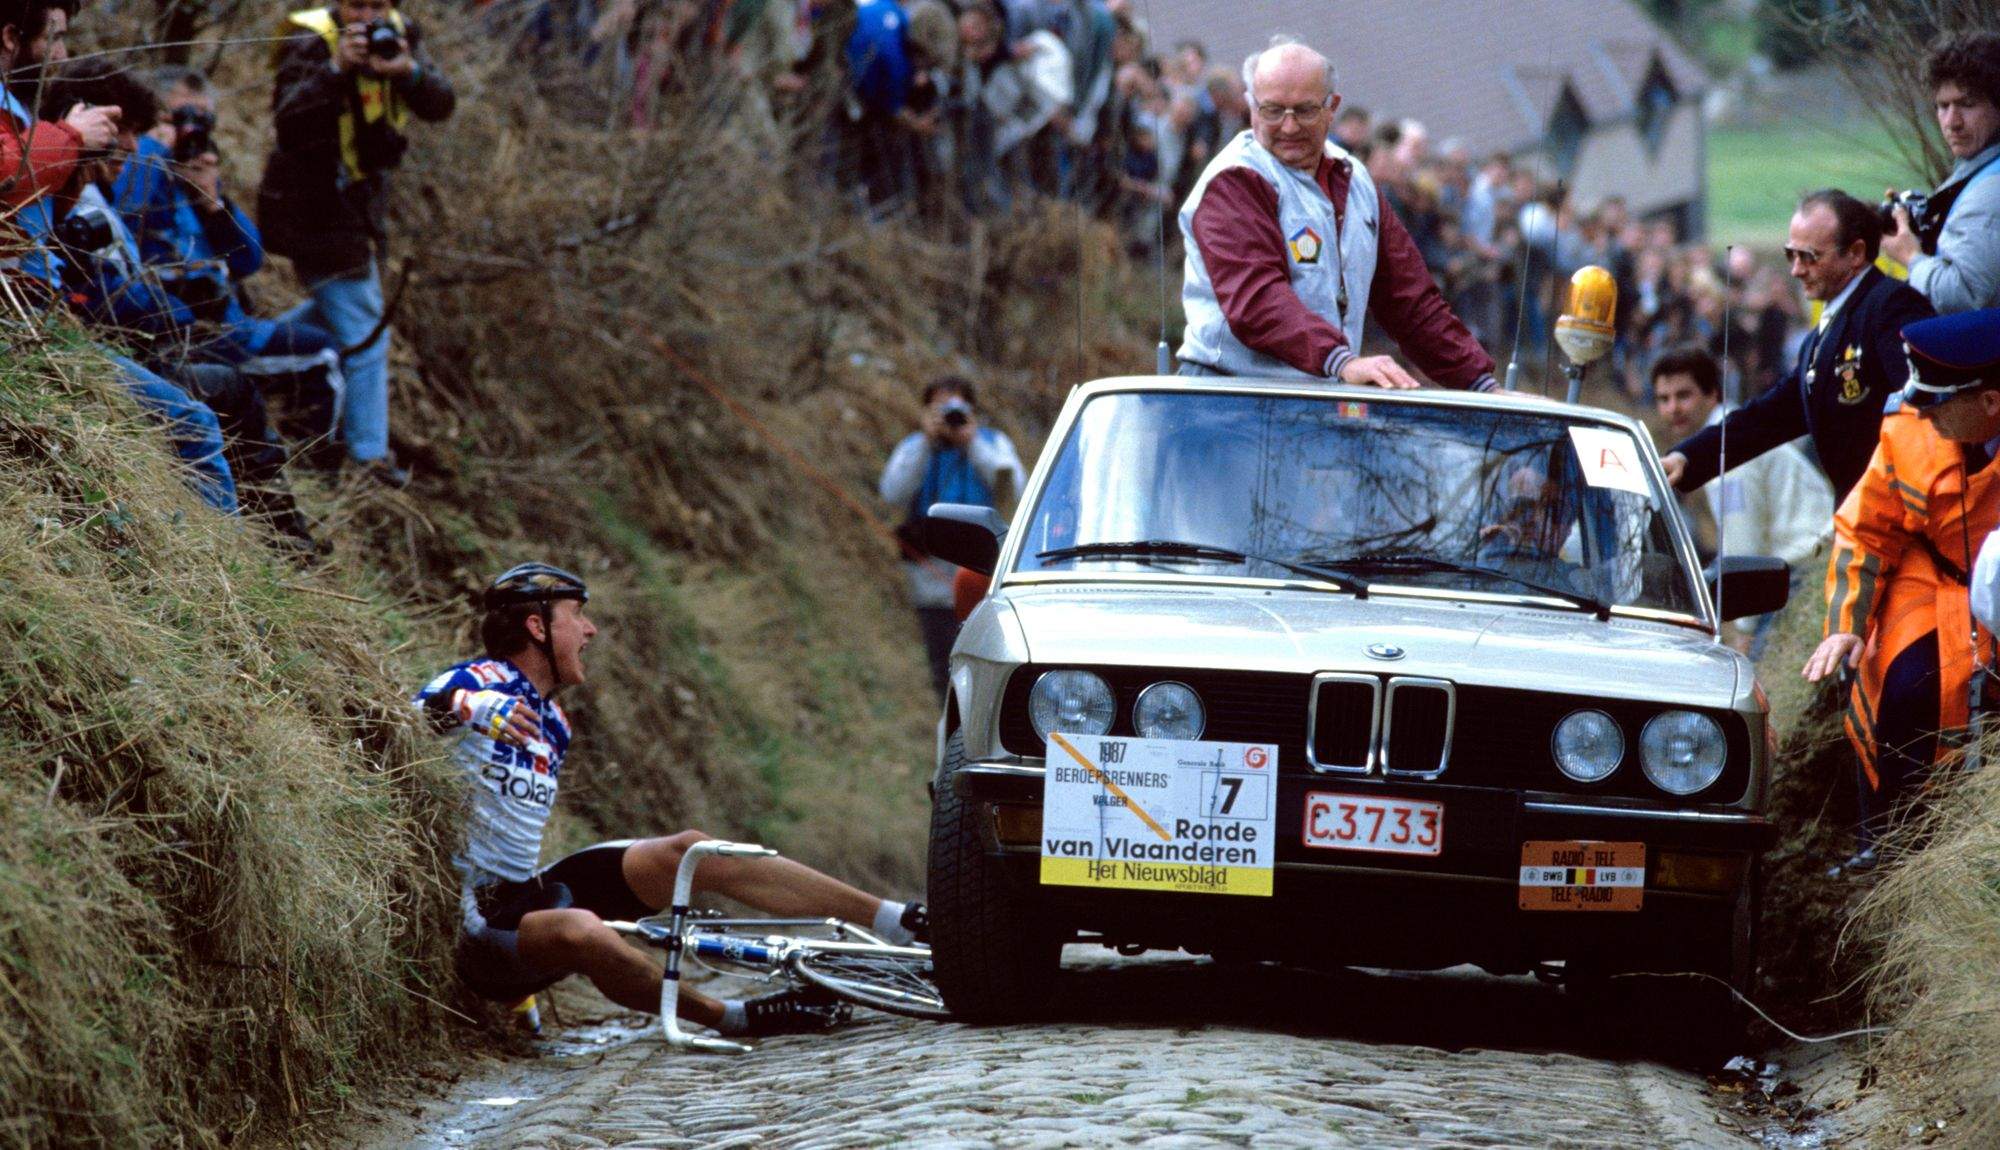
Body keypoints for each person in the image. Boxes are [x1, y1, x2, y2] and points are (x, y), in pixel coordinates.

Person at [418, 564, 929, 1037]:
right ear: (537, 627)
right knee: (583, 930)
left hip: (528, 897)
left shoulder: (556, 722)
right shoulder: (478, 681)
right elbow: (408, 716)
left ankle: (901, 922)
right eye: (577, 615)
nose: (590, 630)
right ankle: (733, 1016)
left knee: (690, 851)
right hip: (475, 921)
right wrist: (469, 707)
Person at [0, 0, 242, 513]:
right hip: (25, 327)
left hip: (40, 321)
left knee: (203, 409)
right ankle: (222, 559)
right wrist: (71, 139)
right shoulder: (27, 120)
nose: (63, 56)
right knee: (193, 421)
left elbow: (31, 221)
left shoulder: (19, 112)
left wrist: (75, 164)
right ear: (10, 38)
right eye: (56, 39)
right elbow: (5, 173)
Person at [1176, 36, 1498, 392]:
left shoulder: (1356, 178)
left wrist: (1481, 383)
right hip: (1227, 394)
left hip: (1321, 392)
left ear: (1332, 107)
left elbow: (1411, 300)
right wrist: (1341, 361)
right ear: (1251, 106)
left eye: (1305, 110)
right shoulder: (1235, 179)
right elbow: (1257, 299)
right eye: (1272, 110)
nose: (1289, 126)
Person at [1804, 308, 2000, 876]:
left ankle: (1971, 856)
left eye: (1938, 404)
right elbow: (1864, 530)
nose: (1924, 412)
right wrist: (1845, 625)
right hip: (1932, 573)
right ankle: (1887, 841)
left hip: (1994, 589)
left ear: (1990, 402)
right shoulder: (1908, 428)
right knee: (1901, 686)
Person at [258, 0, 456, 488]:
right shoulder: (310, 40)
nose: (366, 17)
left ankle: (244, 351)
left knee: (334, 316)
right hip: (309, 209)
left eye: (377, 5)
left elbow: (441, 104)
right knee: (367, 329)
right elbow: (287, 122)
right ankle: (370, 456)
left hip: (361, 208)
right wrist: (334, 70)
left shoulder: (400, 33)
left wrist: (408, 72)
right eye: (356, 5)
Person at [116, 68, 346, 460]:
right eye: (181, 117)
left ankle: (310, 465)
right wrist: (154, 150)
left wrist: (212, 203)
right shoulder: (134, 165)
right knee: (321, 356)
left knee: (320, 351)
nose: (192, 130)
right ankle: (314, 471)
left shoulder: (197, 173)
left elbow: (249, 260)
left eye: (203, 120)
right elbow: (126, 214)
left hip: (228, 325)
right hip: (181, 328)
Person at [1662, 190, 1934, 505]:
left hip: (1902, 513)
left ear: (1856, 253)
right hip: (1863, 518)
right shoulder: (1820, 337)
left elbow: (1924, 416)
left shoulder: (1890, 306)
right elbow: (1770, 416)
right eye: (1791, 255)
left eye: (1809, 257)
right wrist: (1688, 458)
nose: (1796, 270)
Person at [1651, 346, 1833, 654]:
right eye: (1663, 399)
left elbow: (1744, 545)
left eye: (1684, 395)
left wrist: (1744, 631)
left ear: (1712, 394)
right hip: (1798, 566)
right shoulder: (1724, 437)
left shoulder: (1729, 454)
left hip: (1803, 569)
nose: (1673, 409)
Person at [878, 377, 1025, 698]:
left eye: (957, 408)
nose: (950, 416)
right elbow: (892, 492)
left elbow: (1014, 489)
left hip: (981, 572)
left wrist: (973, 444)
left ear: (972, 411)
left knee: (986, 655)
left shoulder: (993, 443)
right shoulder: (914, 447)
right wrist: (926, 444)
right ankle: (949, 717)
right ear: (926, 412)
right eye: (940, 409)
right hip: (931, 575)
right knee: (942, 660)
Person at [1881, 32, 2000, 315]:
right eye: (1943, 106)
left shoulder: (1991, 189)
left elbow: (1965, 297)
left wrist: (1911, 257)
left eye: (1967, 104)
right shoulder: (1979, 169)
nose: (1952, 122)